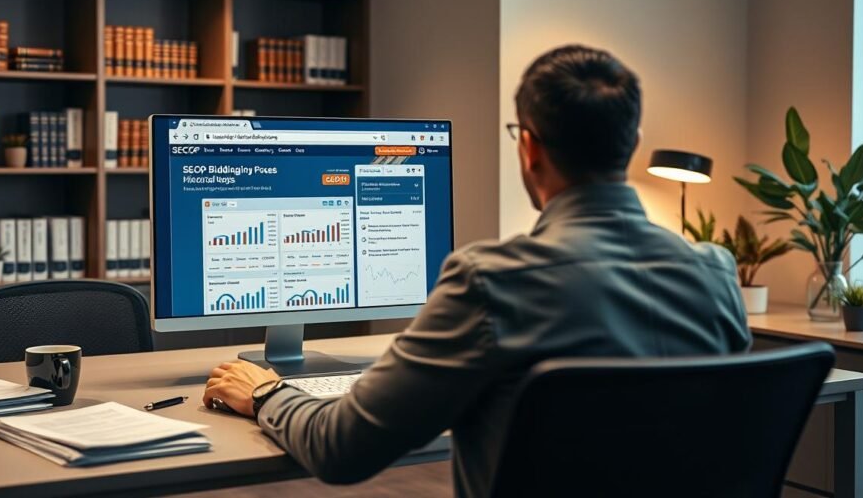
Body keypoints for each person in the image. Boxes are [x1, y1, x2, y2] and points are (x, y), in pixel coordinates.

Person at [203, 44, 751, 498]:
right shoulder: (715, 272)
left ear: (530, 148)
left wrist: (267, 394)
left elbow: (342, 451)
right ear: (630, 145)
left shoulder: (491, 281)